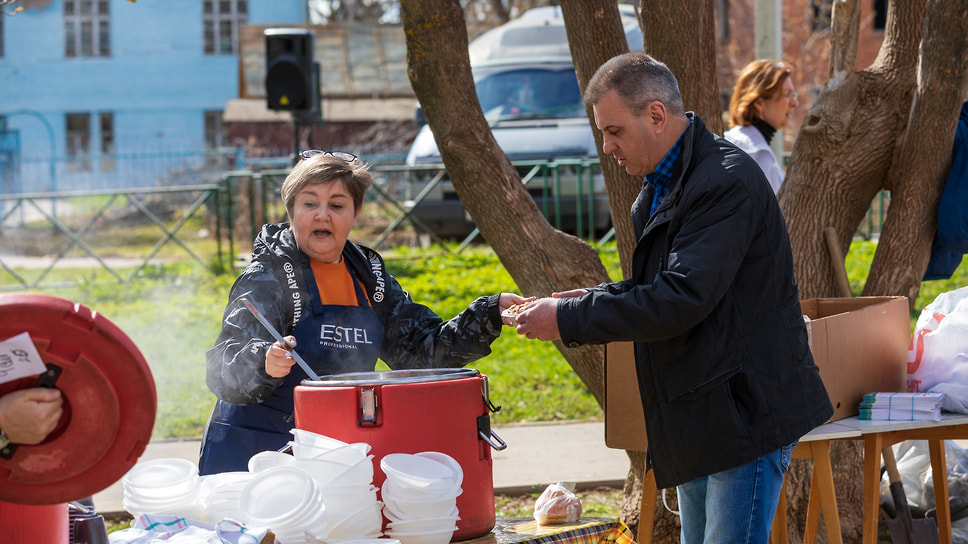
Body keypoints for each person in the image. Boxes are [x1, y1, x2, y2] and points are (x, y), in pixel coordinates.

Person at [512, 53, 832, 544]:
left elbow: (680, 298)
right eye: (603, 132)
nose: (607, 146)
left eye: (615, 130)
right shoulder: (665, 185)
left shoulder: (722, 180)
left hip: (743, 410)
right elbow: (667, 286)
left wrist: (570, 317)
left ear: (657, 115)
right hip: (705, 408)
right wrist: (592, 299)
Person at [199, 150, 529, 475]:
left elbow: (421, 354)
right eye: (309, 203)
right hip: (251, 460)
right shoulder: (265, 276)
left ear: (355, 214)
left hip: (331, 455)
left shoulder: (370, 280)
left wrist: (488, 314)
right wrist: (263, 361)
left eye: (337, 205)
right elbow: (221, 365)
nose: (322, 215)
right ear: (292, 211)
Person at [724, 59, 800, 194]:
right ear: (759, 102)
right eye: (787, 94)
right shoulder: (755, 152)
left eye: (794, 94)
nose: (795, 103)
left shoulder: (737, 141)